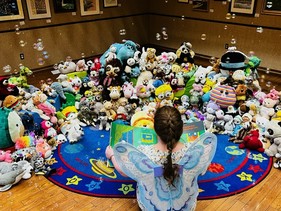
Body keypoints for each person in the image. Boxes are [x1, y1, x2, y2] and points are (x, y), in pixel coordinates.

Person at [105, 106, 217, 211]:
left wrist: (112, 155)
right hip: (185, 204)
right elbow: (202, 169)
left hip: (152, 205)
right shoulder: (192, 152)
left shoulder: (144, 151)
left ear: (154, 128)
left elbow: (125, 171)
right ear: (181, 128)